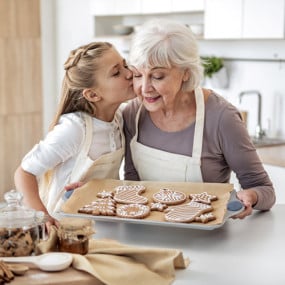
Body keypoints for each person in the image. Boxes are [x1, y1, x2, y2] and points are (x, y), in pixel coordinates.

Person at [123, 19, 275, 219]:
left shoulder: (222, 118)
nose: (144, 88)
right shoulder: (133, 114)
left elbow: (264, 189)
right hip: (145, 232)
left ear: (186, 73)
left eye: (157, 76)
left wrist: (250, 196)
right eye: (136, 75)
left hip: (207, 238)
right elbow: (132, 185)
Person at [14, 41, 134, 225]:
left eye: (125, 64)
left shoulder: (120, 118)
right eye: (116, 72)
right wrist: (44, 218)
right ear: (93, 95)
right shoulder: (75, 129)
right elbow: (24, 173)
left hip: (103, 222)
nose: (129, 73)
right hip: (65, 226)